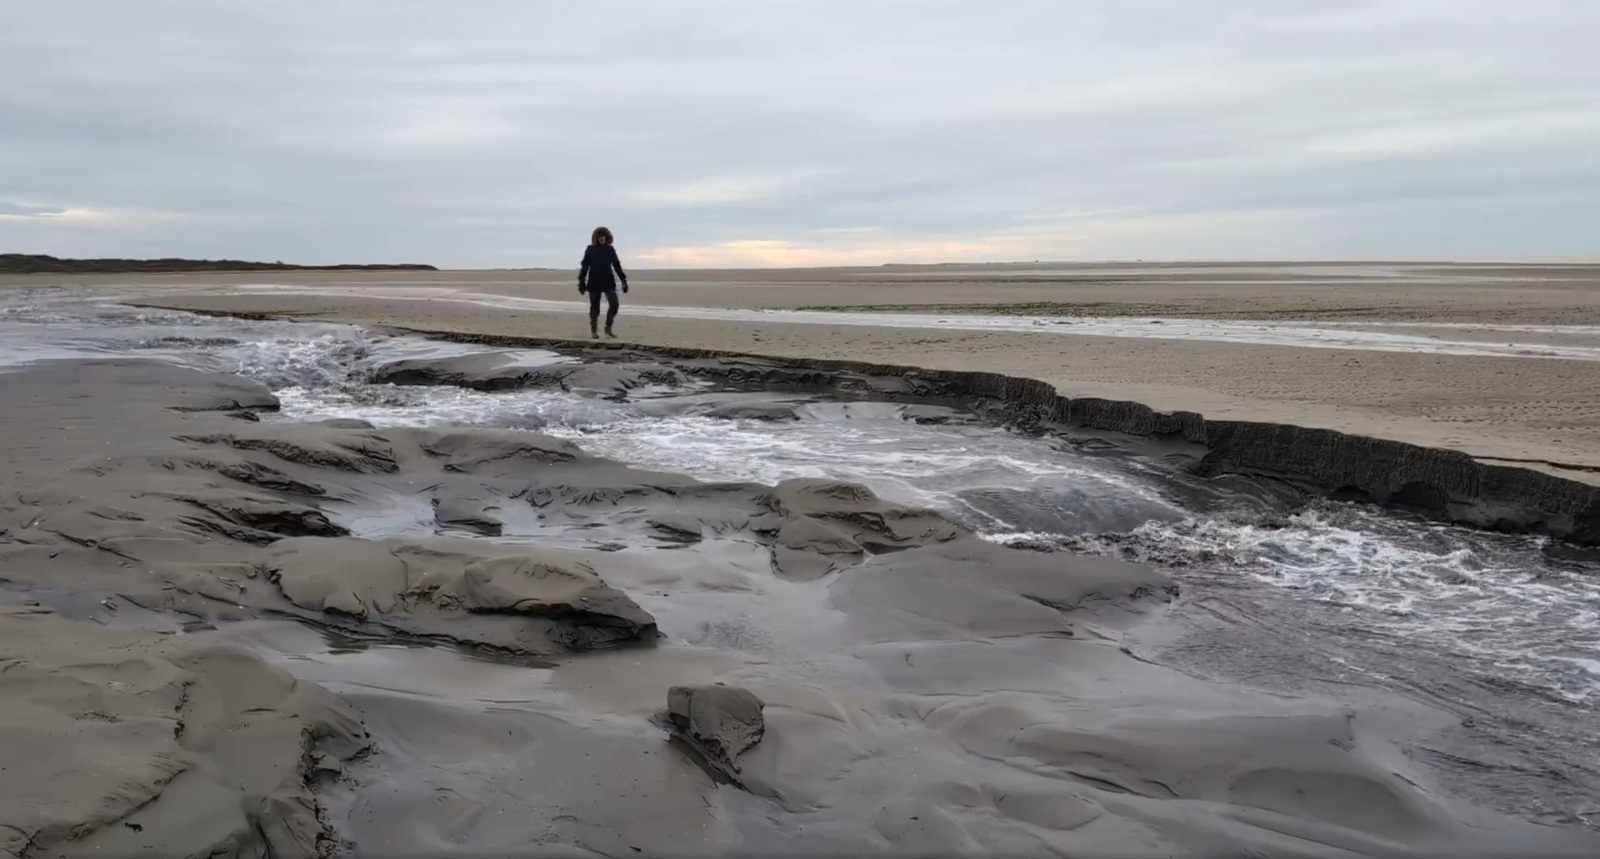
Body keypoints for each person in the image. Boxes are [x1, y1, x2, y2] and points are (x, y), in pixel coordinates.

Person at [578, 226, 628, 339]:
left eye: (603, 236)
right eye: (599, 236)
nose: (601, 238)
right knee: (595, 308)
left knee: (614, 305)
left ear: (607, 237)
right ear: (596, 238)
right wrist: (581, 282)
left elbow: (617, 266)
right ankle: (594, 331)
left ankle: (608, 329)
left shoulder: (610, 249)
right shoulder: (590, 249)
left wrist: (623, 281)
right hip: (594, 281)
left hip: (608, 281)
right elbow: (584, 267)